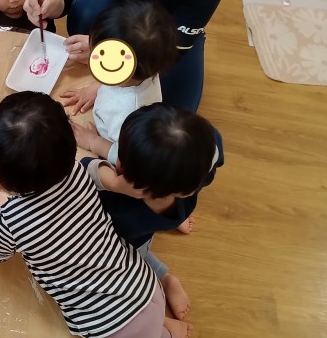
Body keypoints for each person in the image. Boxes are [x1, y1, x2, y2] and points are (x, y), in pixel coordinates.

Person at [0, 92, 194, 338]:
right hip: (144, 288)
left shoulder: (14, 219)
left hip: (114, 328)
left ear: (1, 174)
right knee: (150, 334)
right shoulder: (77, 172)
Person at [23, 0, 231, 112]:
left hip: (159, 36)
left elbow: (174, 47)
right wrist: (54, 1)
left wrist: (107, 68)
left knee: (170, 110)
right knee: (88, 6)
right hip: (115, 6)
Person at [79, 103, 224, 320]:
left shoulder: (124, 209)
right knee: (168, 214)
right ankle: (175, 218)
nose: (118, 160)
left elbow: (83, 170)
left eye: (121, 159)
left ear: (136, 188)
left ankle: (164, 277)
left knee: (131, 256)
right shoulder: (205, 152)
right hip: (179, 207)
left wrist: (113, 182)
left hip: (135, 239)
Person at [74, 0, 177, 166]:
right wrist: (97, 87)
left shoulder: (130, 114)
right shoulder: (146, 68)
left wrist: (93, 141)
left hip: (110, 144)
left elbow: (125, 158)